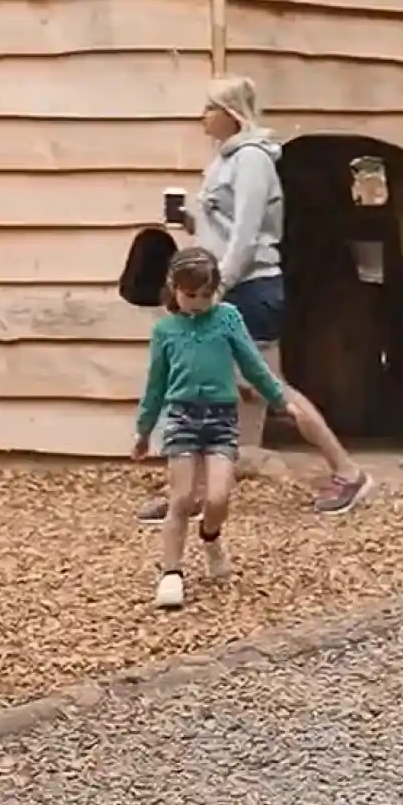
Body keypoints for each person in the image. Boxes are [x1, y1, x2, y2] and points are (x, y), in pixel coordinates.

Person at [138, 76, 373, 522]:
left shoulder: (251, 160)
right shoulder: (224, 160)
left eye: (210, 107)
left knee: (271, 387)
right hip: (232, 284)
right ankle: (192, 492)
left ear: (231, 113)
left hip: (248, 287)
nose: (202, 116)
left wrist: (216, 288)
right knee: (212, 385)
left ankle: (348, 472)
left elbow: (246, 237)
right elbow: (226, 229)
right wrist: (191, 221)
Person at [135, 247, 300, 610]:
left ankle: (210, 537)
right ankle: (171, 573)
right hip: (181, 417)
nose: (198, 303)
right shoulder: (165, 330)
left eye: (205, 295)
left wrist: (279, 399)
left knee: (218, 497)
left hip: (222, 420)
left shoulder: (227, 319)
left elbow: (253, 364)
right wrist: (144, 430)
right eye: (190, 295)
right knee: (181, 497)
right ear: (174, 288)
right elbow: (156, 383)